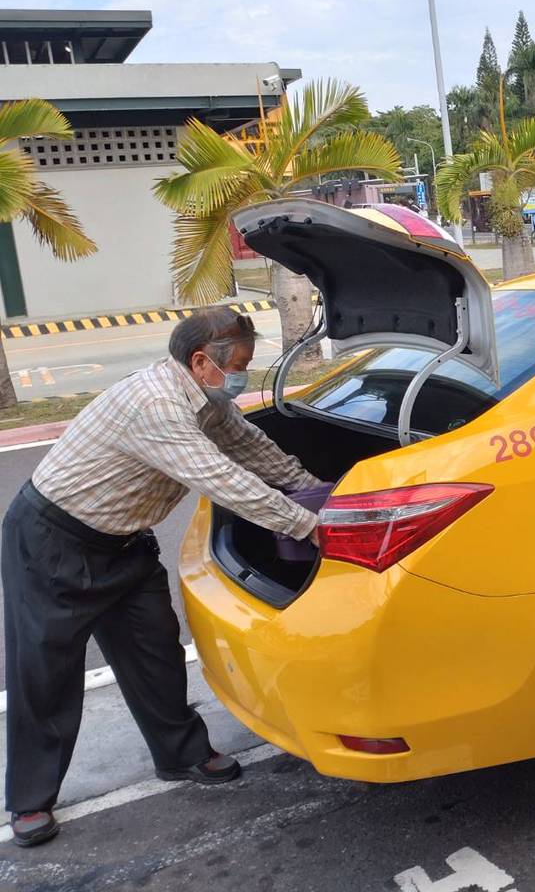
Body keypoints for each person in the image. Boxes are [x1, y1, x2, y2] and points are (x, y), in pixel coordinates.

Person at [2, 307, 328, 847]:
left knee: (156, 653)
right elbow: (219, 477)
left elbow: (249, 447)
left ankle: (182, 756)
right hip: (54, 541)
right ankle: (32, 801)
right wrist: (307, 525)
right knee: (45, 674)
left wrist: (313, 487)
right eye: (240, 366)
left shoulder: (207, 398)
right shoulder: (156, 404)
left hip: (124, 543)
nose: (243, 374)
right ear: (203, 362)